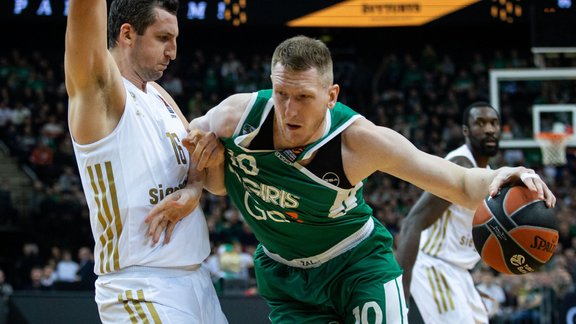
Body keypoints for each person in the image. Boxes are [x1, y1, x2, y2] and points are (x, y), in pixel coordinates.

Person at [148, 35, 555, 323]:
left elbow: (460, 183)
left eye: (304, 97)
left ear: (331, 95)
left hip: (357, 266)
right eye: (281, 94)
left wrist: (502, 174)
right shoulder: (237, 117)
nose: (289, 110)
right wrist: (195, 185)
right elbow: (192, 145)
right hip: (285, 275)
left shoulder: (359, 142)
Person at [64, 0, 227, 322]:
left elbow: (216, 185)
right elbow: (84, 21)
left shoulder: (160, 95)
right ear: (127, 34)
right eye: (163, 38)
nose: (173, 52)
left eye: (175, 39)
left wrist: (195, 187)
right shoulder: (102, 93)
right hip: (140, 284)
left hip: (197, 281)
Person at [396, 102, 503, 323]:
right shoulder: (459, 165)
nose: (489, 129)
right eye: (480, 123)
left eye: (494, 123)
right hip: (435, 266)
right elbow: (412, 223)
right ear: (466, 131)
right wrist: (399, 297)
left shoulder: (490, 176)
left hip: (460, 274)